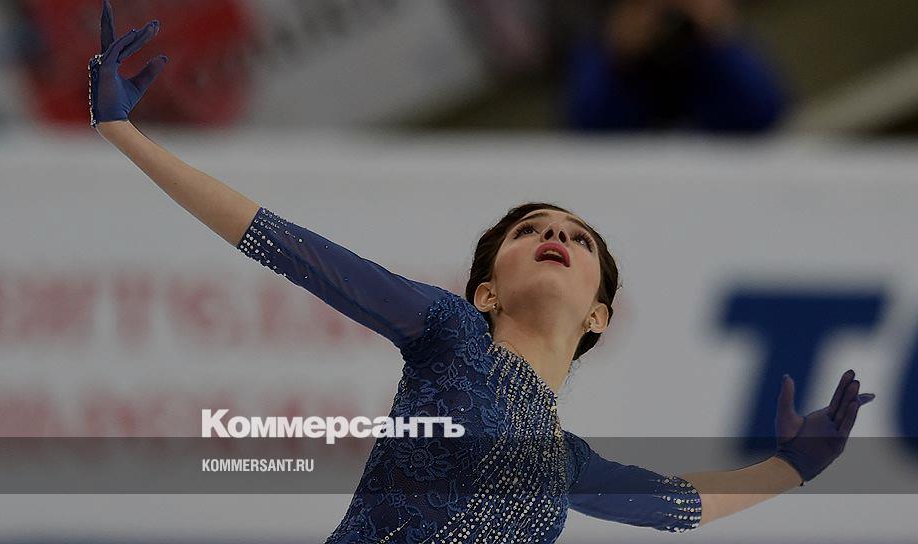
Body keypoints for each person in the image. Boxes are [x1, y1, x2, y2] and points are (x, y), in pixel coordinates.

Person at [89, 3, 874, 541]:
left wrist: (791, 468)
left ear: (598, 316)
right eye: (531, 230)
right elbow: (285, 246)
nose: (555, 234)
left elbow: (683, 507)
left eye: (577, 238)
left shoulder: (567, 465)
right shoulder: (448, 333)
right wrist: (127, 134)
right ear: (486, 290)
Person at [563, 0, 788, 133]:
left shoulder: (717, 50)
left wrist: (721, 42)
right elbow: (582, 122)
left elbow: (768, 114)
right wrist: (617, 58)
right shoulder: (608, 49)